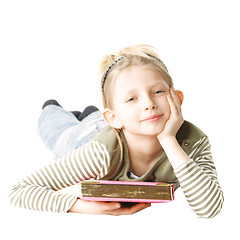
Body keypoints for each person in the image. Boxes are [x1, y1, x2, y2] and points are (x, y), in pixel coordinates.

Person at [9, 45, 224, 218]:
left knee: (94, 117)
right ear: (114, 117)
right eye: (132, 98)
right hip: (85, 138)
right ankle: (52, 108)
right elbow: (20, 190)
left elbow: (209, 208)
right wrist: (82, 206)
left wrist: (168, 138)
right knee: (58, 132)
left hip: (124, 125)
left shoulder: (194, 141)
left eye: (157, 92)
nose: (149, 103)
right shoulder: (98, 154)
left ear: (177, 98)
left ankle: (91, 113)